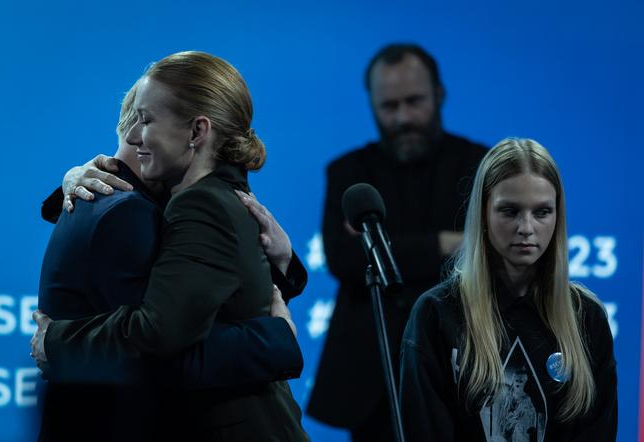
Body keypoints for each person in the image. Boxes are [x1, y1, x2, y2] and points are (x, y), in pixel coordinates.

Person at [31, 51, 308, 441]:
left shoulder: (198, 202)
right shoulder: (158, 203)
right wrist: (274, 337)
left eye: (147, 121)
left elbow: (160, 341)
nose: (134, 137)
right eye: (135, 121)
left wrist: (57, 342)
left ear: (197, 132)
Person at [307, 43, 487, 440]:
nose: (403, 117)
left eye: (414, 101)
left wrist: (394, 247)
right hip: (370, 379)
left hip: (460, 366)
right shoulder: (348, 172)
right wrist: (443, 242)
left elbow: (487, 253)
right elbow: (343, 259)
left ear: (439, 95)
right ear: (371, 104)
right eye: (389, 106)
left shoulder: (480, 165)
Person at [399, 138, 617, 441]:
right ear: (483, 214)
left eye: (542, 212)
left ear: (558, 216)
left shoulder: (586, 317)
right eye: (510, 211)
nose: (526, 228)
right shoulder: (437, 314)